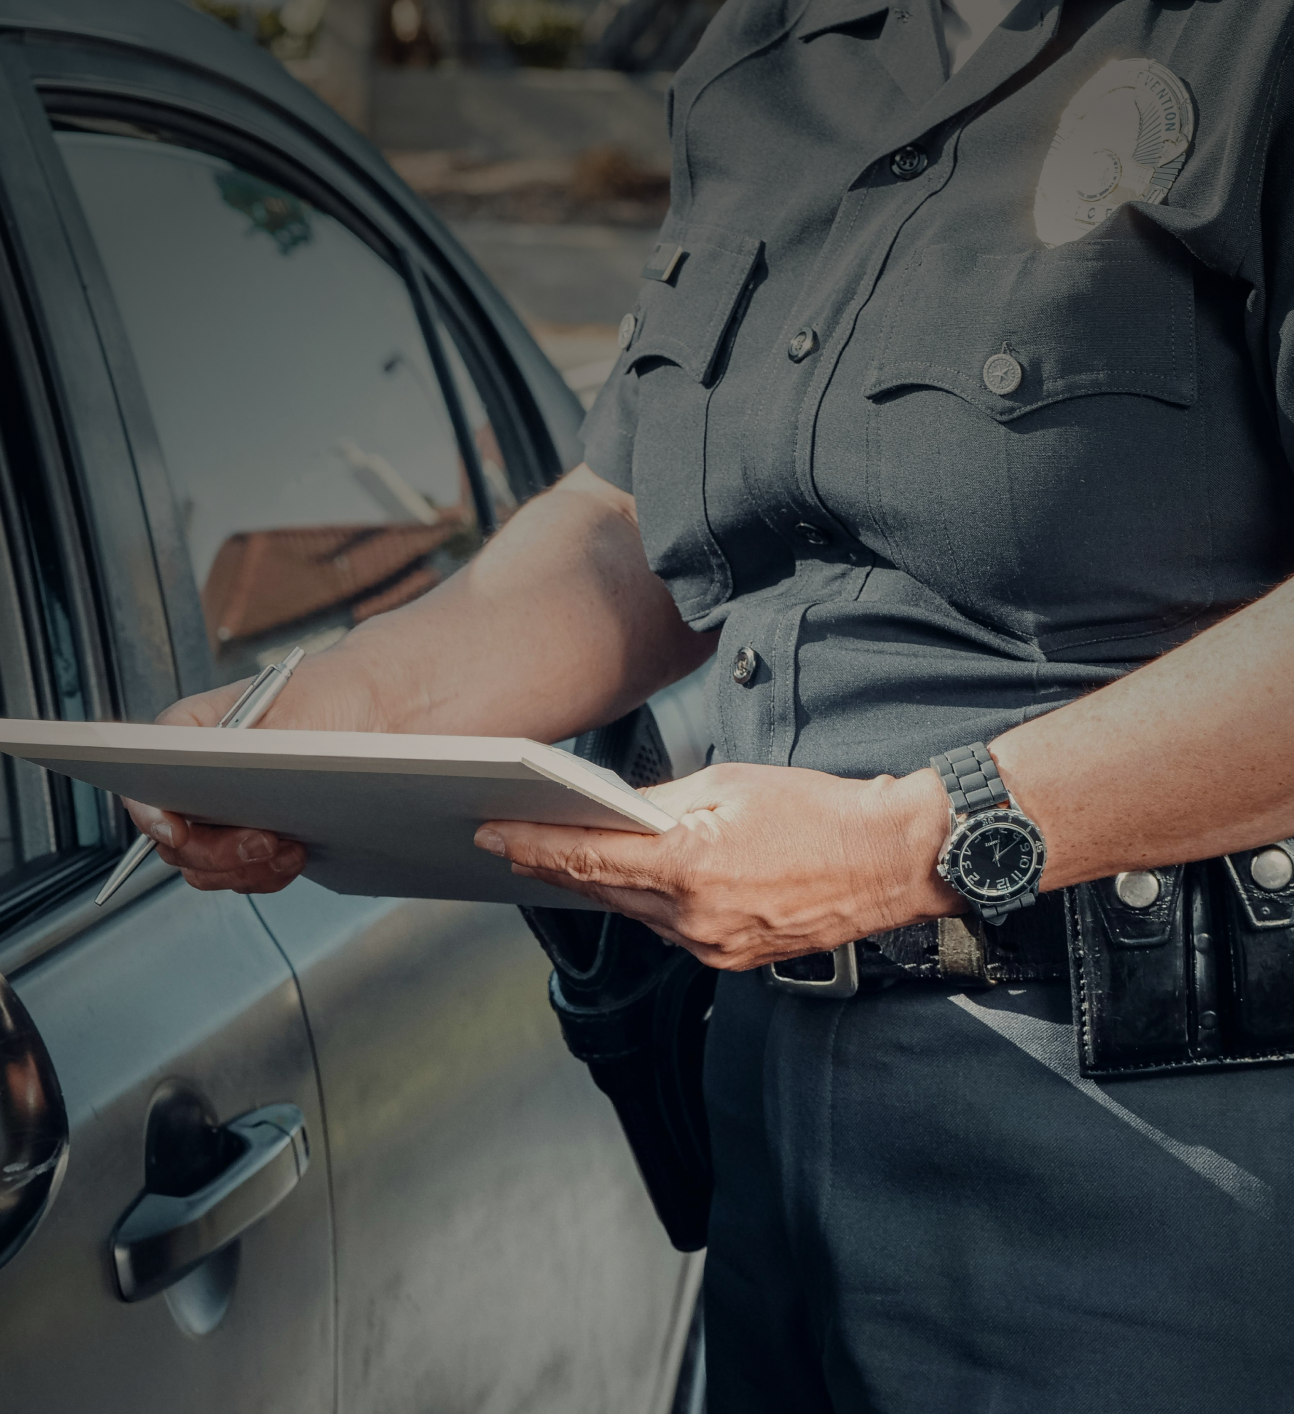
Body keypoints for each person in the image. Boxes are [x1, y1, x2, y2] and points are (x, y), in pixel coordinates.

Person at [131, 0, 1294, 1408]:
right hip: (770, 1133)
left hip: (1150, 1178)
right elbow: (644, 527)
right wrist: (308, 712)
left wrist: (906, 841)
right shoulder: (765, 59)